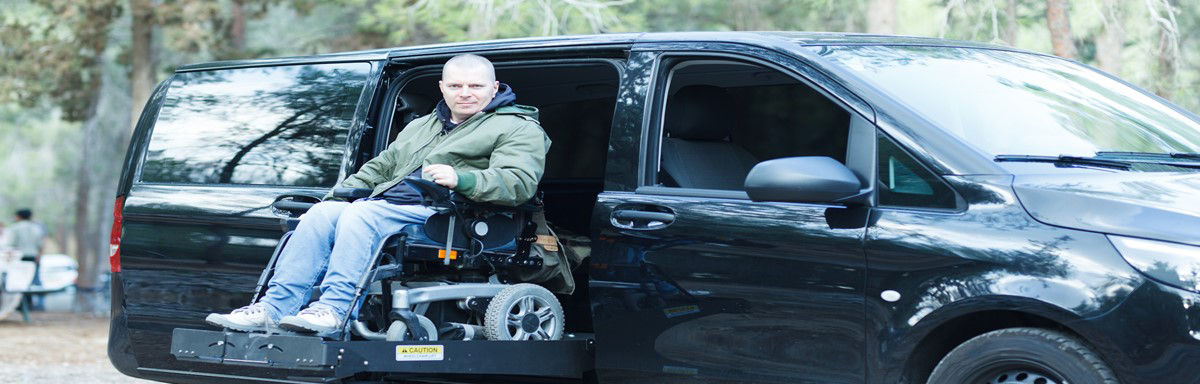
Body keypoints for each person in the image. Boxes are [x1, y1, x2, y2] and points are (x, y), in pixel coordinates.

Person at [206, 54, 550, 335]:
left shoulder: (517, 127)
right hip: (394, 205)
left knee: (362, 214)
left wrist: (462, 178)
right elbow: (382, 168)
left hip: (452, 216)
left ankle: (334, 310)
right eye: (456, 85)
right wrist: (337, 196)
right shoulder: (423, 125)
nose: (465, 93)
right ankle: (273, 309)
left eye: (475, 86)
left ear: (494, 87)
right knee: (323, 213)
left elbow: (519, 182)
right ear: (442, 87)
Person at [6, 208, 47, 310]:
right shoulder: (37, 228)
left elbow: (11, 245)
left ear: (19, 216)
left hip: (19, 258)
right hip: (34, 257)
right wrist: (39, 256)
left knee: (19, 282)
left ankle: (23, 305)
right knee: (35, 281)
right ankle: (39, 305)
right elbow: (41, 245)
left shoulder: (15, 227)